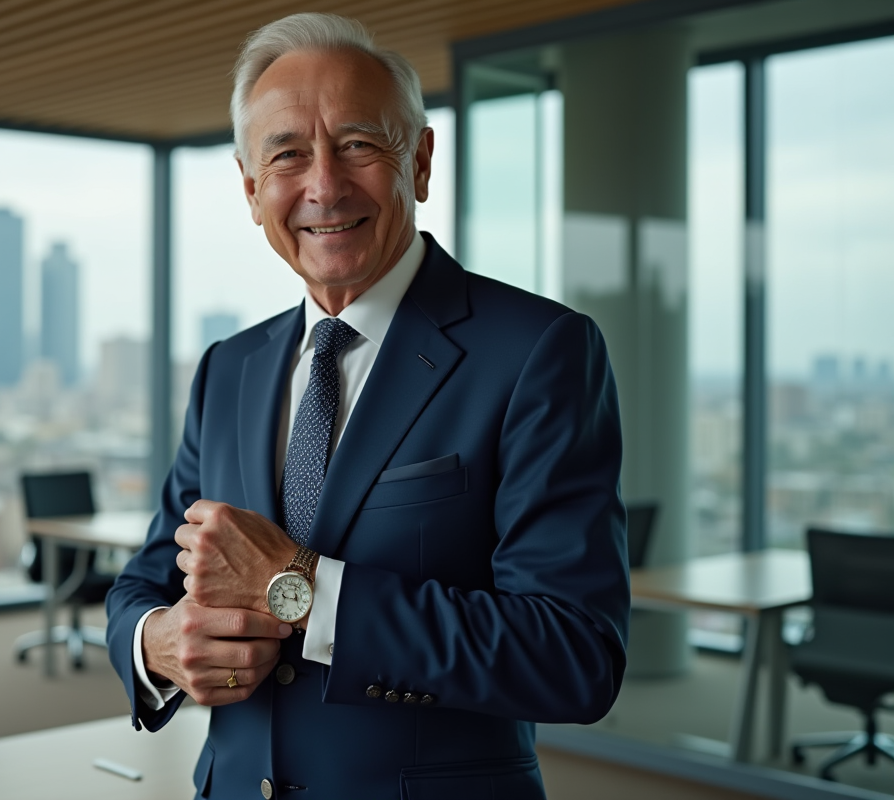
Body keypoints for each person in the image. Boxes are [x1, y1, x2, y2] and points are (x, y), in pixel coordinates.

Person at [106, 12, 630, 799]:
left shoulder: (538, 350)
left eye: (358, 144)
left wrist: (302, 589)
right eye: (287, 154)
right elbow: (146, 581)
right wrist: (159, 644)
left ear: (418, 162)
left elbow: (573, 655)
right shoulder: (230, 368)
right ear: (252, 190)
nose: (324, 185)